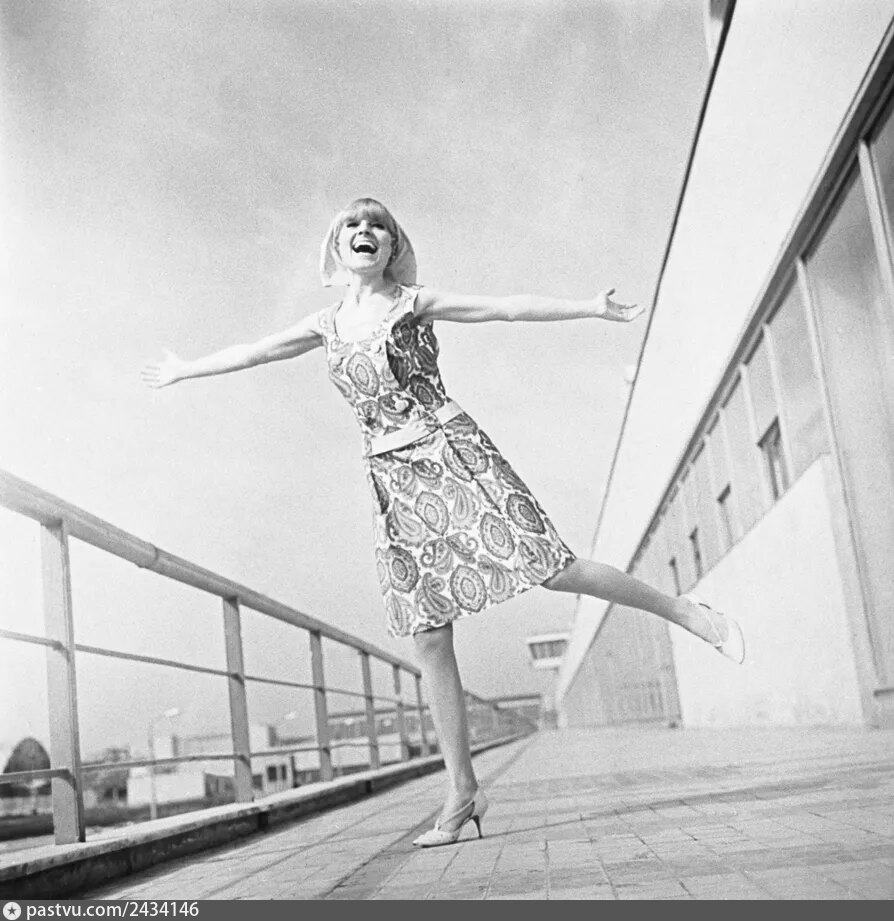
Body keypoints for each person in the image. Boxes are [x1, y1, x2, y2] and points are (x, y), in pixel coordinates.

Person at [142, 197, 745, 848]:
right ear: (337, 247)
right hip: (391, 477)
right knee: (427, 634)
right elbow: (255, 352)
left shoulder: (413, 303)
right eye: (353, 224)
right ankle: (463, 792)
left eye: (377, 224)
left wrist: (587, 307)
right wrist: (183, 370)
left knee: (552, 568)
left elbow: (503, 307)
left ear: (392, 244)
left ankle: (687, 613)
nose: (365, 230)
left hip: (450, 449)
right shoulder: (325, 324)